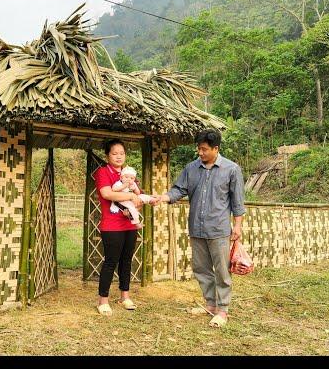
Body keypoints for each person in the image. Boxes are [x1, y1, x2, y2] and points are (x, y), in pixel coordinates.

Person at [151, 129, 246, 327]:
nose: (200, 153)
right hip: (197, 227)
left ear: (216, 148)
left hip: (219, 229)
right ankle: (210, 305)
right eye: (199, 149)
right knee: (201, 269)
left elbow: (237, 202)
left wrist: (237, 226)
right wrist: (164, 197)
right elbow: (179, 189)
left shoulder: (231, 169)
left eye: (204, 149)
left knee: (221, 271)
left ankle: (222, 310)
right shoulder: (191, 168)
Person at [93, 139, 145, 316]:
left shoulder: (129, 174)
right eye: (114, 153)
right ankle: (103, 300)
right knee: (110, 262)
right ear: (107, 155)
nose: (118, 156)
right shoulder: (103, 172)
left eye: (121, 153)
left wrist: (135, 208)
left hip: (129, 225)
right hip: (111, 225)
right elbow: (106, 193)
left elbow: (139, 198)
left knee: (127, 260)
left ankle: (125, 296)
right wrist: (130, 196)